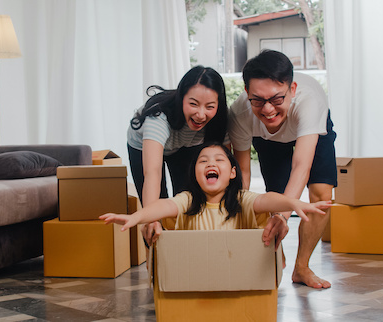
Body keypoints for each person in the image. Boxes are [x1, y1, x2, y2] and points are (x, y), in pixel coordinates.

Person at [228, 50, 337, 289]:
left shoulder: (309, 103)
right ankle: (277, 255)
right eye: (258, 100)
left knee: (321, 195)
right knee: (275, 197)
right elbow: (243, 175)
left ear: (293, 89)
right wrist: (241, 213)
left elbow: (301, 166)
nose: (267, 109)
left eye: (277, 99)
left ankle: (302, 267)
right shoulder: (240, 113)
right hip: (267, 137)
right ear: (247, 92)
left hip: (309, 127)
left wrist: (283, 216)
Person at [100, 143, 332, 247]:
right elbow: (163, 206)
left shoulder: (241, 199)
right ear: (196, 173)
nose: (211, 163)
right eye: (203, 161)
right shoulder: (188, 200)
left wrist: (291, 201)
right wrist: (138, 217)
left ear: (232, 172)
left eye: (219, 160)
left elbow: (266, 199)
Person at [127, 66, 228, 246]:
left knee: (188, 200)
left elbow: (227, 168)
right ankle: (155, 266)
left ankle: (185, 255)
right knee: (156, 210)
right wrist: (151, 220)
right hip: (143, 146)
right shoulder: (158, 119)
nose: (200, 114)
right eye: (193, 104)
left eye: (210, 106)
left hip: (185, 145)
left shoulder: (220, 121)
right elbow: (153, 173)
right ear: (181, 98)